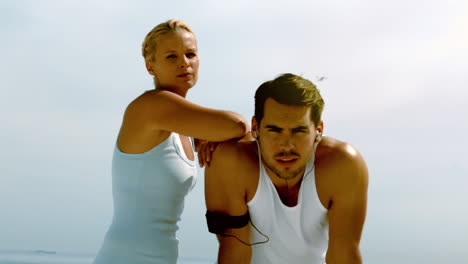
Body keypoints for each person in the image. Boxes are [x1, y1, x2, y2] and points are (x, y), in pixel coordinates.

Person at [93, 19, 249, 264]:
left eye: (190, 54)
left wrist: (212, 137)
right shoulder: (150, 107)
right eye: (171, 56)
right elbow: (237, 125)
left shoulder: (182, 129)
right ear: (150, 66)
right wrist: (214, 134)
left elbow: (235, 134)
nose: (184, 63)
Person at [205, 73, 369, 264]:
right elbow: (235, 251)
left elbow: (344, 254)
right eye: (274, 130)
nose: (286, 145)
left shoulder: (342, 165)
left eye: (299, 131)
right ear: (255, 127)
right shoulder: (233, 162)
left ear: (319, 129)